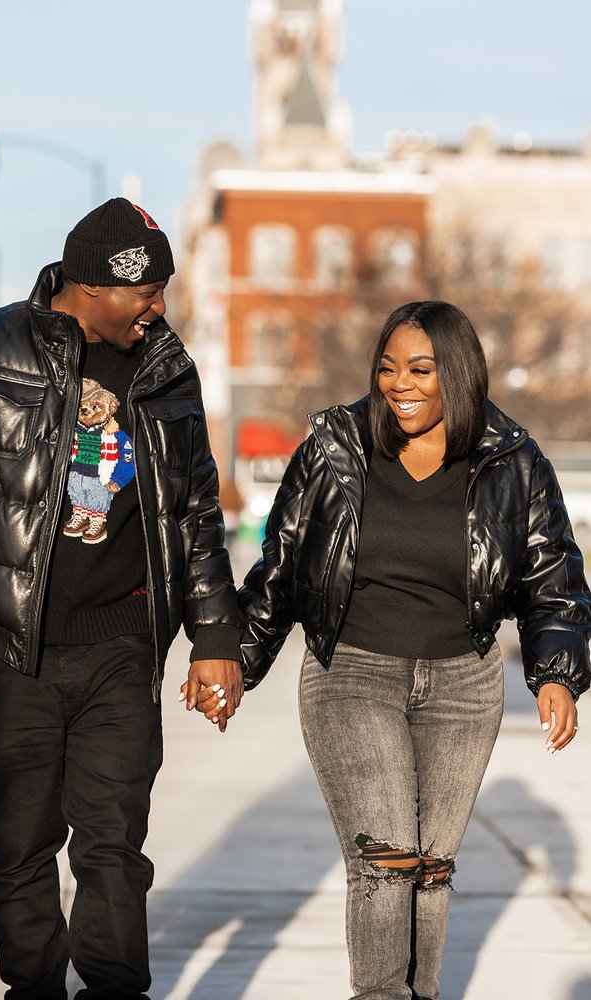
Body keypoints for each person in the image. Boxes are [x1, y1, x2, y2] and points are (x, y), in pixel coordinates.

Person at [218, 300, 591, 1000]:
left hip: (464, 686)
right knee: (386, 861)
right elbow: (282, 566)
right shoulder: (335, 448)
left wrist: (557, 675)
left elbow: (553, 576)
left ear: (458, 372)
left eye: (420, 369)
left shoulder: (514, 460)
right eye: (388, 368)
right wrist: (233, 659)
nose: (399, 384)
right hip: (352, 673)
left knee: (430, 872)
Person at [0, 198, 245, 1000]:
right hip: (10, 650)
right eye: (148, 291)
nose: (158, 309)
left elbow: (195, 510)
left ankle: (113, 990)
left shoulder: (167, 367)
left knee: (113, 846)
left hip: (121, 647)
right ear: (95, 283)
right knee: (20, 844)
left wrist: (214, 639)